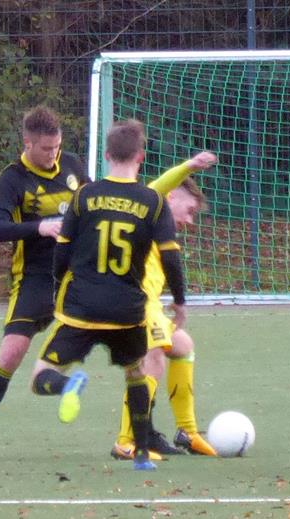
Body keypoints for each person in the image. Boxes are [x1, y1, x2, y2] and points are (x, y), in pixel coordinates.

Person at [29, 118, 186, 471]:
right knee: (137, 373)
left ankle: (67, 385)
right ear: (140, 157)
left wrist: (60, 285)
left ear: (106, 155)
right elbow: (171, 259)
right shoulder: (153, 202)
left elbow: (62, 253)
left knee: (40, 376)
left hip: (82, 308)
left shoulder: (84, 195)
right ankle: (141, 454)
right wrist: (179, 302)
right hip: (127, 310)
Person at [0, 105, 86, 462]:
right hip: (34, 278)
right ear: (28, 143)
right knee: (11, 353)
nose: (53, 154)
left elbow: (92, 205)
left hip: (74, 277)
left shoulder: (73, 166)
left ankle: (139, 436)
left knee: (132, 331)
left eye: (57, 147)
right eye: (46, 148)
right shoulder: (13, 179)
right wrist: (39, 227)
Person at [110, 158, 220, 461]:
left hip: (147, 305)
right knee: (154, 358)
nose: (190, 221)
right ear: (171, 197)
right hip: (132, 302)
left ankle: (188, 431)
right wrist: (190, 166)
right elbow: (159, 186)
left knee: (182, 346)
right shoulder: (149, 207)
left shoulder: (161, 231)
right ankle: (125, 441)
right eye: (190, 210)